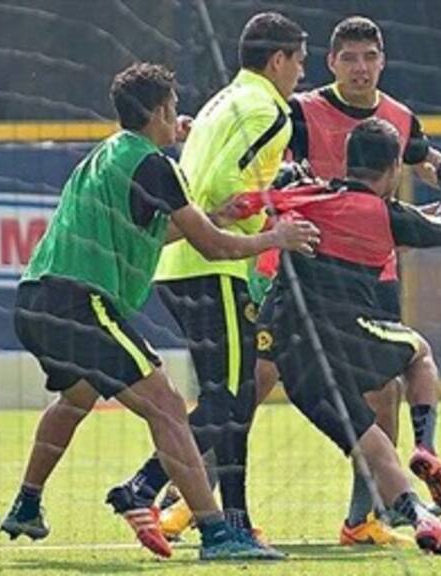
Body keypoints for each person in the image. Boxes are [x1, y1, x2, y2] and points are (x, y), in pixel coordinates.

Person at [0, 62, 319, 561]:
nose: (179, 118)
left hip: (36, 299)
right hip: (79, 301)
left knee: (76, 398)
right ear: (158, 111)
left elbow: (164, 231)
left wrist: (212, 214)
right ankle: (217, 533)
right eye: (173, 109)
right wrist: (276, 237)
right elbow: (212, 249)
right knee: (167, 404)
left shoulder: (109, 153)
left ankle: (26, 502)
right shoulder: (153, 163)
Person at [250, 15, 441, 547]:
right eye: (350, 58)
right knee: (249, 384)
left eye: (369, 58)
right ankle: (171, 491)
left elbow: (425, 159)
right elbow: (260, 160)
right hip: (295, 271)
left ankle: (363, 518)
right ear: (331, 63)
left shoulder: (402, 119)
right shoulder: (299, 110)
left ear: (382, 61)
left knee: (377, 397)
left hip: (369, 279)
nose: (360, 68)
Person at [105, 12, 309, 542]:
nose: (301, 72)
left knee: (230, 396)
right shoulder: (270, 109)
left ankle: (230, 520)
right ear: (278, 59)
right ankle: (145, 485)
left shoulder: (223, 99)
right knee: (232, 397)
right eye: (299, 60)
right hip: (212, 266)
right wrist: (274, 206)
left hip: (178, 265)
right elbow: (223, 188)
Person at [230, 118, 441, 555]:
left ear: (347, 161)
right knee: (418, 352)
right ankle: (427, 446)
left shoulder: (308, 197)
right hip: (346, 335)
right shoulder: (383, 213)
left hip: (295, 357)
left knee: (369, 443)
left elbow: (251, 201)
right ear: (395, 167)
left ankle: (421, 518)